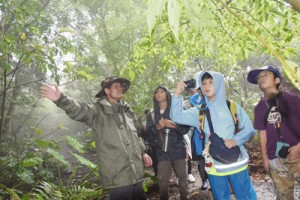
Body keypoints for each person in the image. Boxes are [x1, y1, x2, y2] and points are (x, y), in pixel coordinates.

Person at [40, 76, 152, 200]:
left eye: (121, 87)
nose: (120, 89)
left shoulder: (127, 111)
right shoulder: (97, 111)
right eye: (116, 86)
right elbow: (80, 109)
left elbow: (134, 135)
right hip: (118, 177)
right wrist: (61, 99)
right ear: (106, 90)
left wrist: (143, 153)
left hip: (136, 173)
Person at [170, 71, 257, 200]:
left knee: (245, 195)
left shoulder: (232, 106)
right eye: (204, 83)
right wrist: (177, 94)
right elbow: (177, 117)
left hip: (236, 161)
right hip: (214, 164)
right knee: (220, 196)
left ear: (219, 84)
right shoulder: (200, 110)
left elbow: (249, 128)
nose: (207, 86)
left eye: (211, 82)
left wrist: (235, 140)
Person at [247, 66, 300, 200]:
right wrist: (265, 160)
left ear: (277, 80)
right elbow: (263, 134)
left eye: (265, 75)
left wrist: (298, 147)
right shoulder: (259, 108)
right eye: (259, 77)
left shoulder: (292, 99)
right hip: (275, 159)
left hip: (298, 155)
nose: (261, 78)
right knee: (283, 196)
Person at [145, 86, 190, 200]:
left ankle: (185, 197)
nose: (159, 94)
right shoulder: (151, 114)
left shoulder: (176, 108)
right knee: (162, 180)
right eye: (156, 92)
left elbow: (185, 129)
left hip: (178, 148)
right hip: (162, 151)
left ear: (167, 94)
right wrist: (157, 127)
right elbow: (148, 135)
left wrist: (174, 126)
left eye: (162, 91)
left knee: (182, 177)